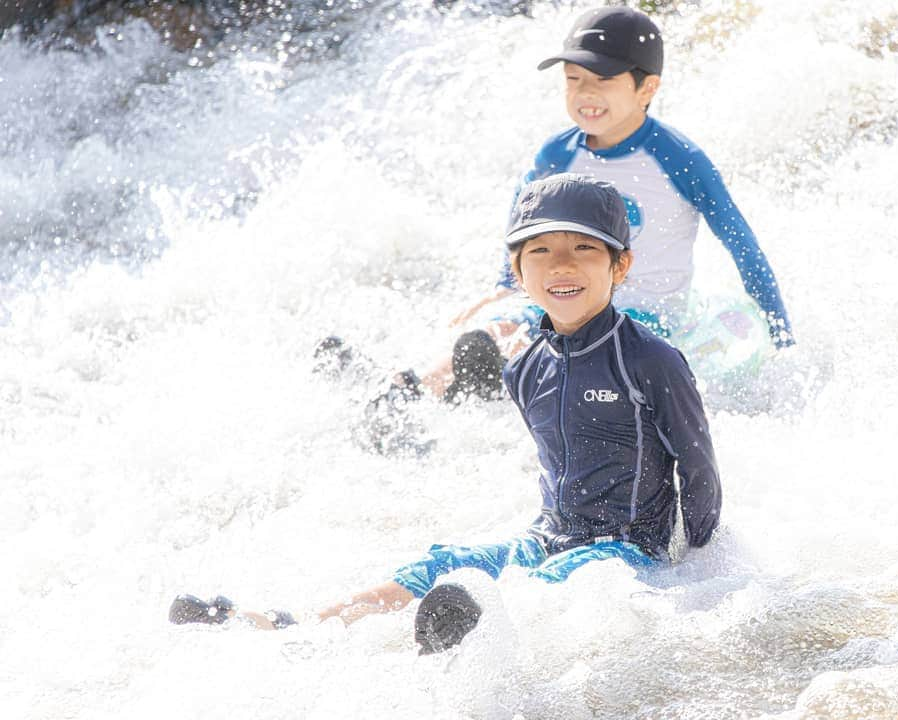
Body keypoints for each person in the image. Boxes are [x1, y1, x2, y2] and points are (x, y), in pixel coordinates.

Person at [171, 174, 723, 654]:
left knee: (530, 590)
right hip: (550, 534)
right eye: (541, 251)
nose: (562, 265)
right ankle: (291, 626)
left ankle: (463, 637)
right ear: (518, 270)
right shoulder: (527, 365)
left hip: (624, 551)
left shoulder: (648, 360)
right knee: (438, 567)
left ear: (619, 265)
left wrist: (696, 561)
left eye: (583, 249)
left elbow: (697, 461)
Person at [454, 5, 793, 372]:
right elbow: (522, 219)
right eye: (573, 79)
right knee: (488, 335)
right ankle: (407, 392)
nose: (585, 93)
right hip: (565, 294)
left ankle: (519, 367)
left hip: (648, 311)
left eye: (603, 80)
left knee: (581, 349)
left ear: (646, 87)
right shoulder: (557, 155)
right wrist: (505, 284)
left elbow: (740, 242)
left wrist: (781, 337)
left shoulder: (678, 159)